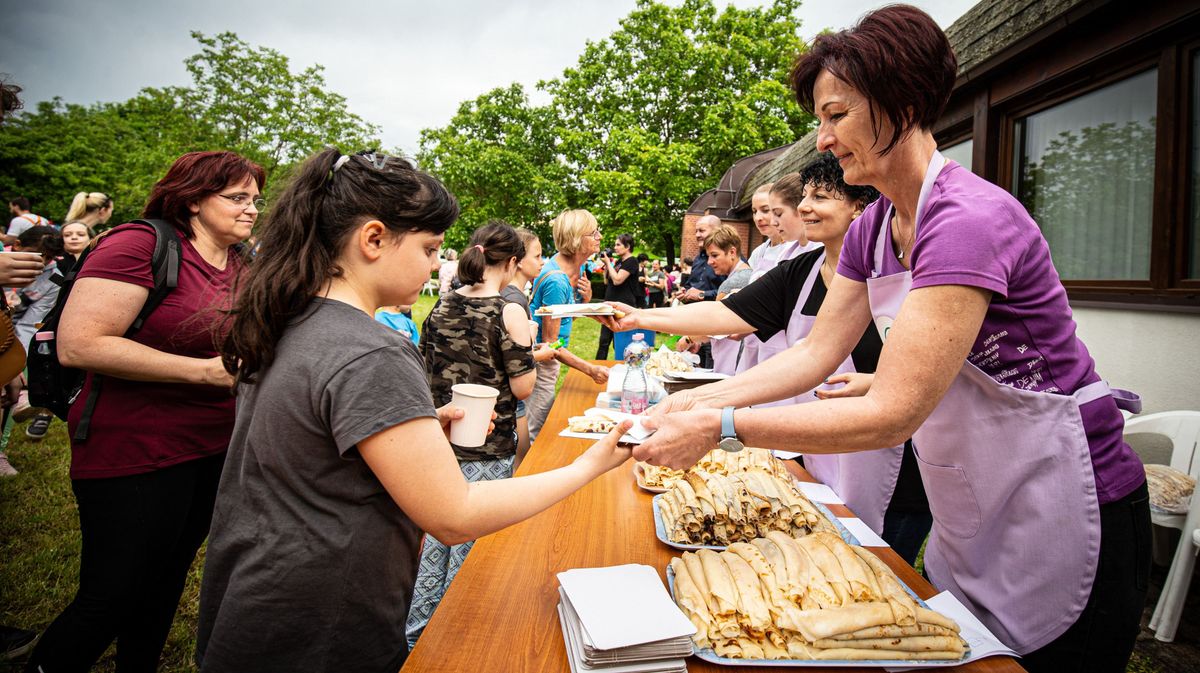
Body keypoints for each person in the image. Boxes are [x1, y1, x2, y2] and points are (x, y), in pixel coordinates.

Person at [615, 6, 1149, 671]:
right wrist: (693, 403)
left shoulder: (967, 220)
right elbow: (815, 353)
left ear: (901, 99)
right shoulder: (874, 228)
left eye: (836, 114)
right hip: (978, 499)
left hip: (1064, 499)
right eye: (820, 118)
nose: (824, 139)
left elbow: (895, 408)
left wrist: (723, 423)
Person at [195, 148, 632, 672]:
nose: (435, 265)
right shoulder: (371, 351)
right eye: (429, 248)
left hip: (257, 599)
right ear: (374, 239)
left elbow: (315, 447)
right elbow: (455, 514)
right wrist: (589, 464)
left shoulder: (289, 318)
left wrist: (416, 425)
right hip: (325, 625)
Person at [604, 155, 931, 563]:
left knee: (882, 568)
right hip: (818, 449)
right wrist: (640, 316)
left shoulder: (906, 276)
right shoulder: (801, 271)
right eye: (804, 197)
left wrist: (876, 382)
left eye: (821, 197)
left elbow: (924, 370)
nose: (804, 207)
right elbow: (730, 314)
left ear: (860, 209)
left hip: (897, 465)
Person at [25, 151, 261, 672]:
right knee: (111, 594)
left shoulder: (243, 262)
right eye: (238, 198)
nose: (251, 211)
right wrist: (202, 372)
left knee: (164, 582)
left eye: (255, 201)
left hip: (212, 446)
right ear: (195, 198)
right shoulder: (139, 244)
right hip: (134, 446)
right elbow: (81, 345)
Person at [407, 221, 537, 646]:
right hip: (489, 445)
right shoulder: (508, 310)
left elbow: (423, 370)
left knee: (434, 544)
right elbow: (522, 388)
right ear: (513, 262)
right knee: (469, 554)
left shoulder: (442, 305)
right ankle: (453, 644)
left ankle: (415, 636)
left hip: (439, 439)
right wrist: (528, 347)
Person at [526, 209, 606, 442]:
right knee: (535, 431)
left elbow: (564, 319)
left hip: (549, 356)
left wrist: (587, 301)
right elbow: (552, 345)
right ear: (577, 239)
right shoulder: (557, 280)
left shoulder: (576, 269)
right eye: (594, 232)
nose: (599, 236)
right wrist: (590, 370)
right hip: (543, 363)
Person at [502, 228, 560, 466]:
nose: (542, 262)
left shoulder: (514, 295)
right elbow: (509, 357)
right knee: (522, 460)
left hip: (512, 398)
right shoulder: (513, 299)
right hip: (511, 397)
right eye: (536, 256)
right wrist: (540, 354)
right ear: (517, 260)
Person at [8, 226, 65, 440]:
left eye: (48, 257)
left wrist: (13, 361)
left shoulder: (54, 280)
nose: (41, 262)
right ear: (17, 246)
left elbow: (30, 323)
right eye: (37, 255)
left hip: (12, 337)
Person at [595, 233, 641, 359]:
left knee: (620, 343)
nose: (615, 248)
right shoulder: (619, 262)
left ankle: (622, 368)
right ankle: (598, 369)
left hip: (623, 307)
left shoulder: (632, 261)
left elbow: (618, 280)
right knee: (603, 342)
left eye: (618, 245)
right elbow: (607, 281)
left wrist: (609, 263)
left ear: (627, 247)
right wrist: (606, 265)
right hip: (610, 306)